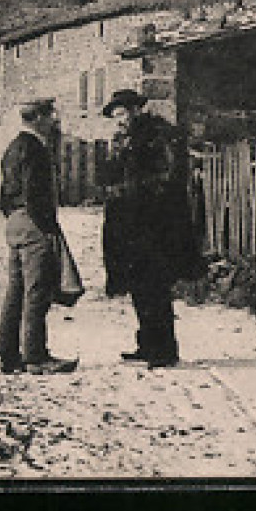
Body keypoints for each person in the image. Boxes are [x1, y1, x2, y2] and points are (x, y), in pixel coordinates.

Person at [100, 88, 203, 368]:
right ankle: (146, 344)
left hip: (155, 226)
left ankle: (164, 349)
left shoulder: (158, 135)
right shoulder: (123, 140)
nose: (118, 120)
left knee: (155, 286)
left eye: (121, 114)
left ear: (135, 110)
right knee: (137, 285)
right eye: (115, 116)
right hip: (129, 225)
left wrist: (128, 190)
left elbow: (167, 178)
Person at [0, 98, 78, 375]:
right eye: (51, 115)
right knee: (36, 291)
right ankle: (35, 356)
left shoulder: (12, 147)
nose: (55, 120)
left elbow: (5, 195)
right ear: (38, 118)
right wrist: (47, 225)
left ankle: (7, 353)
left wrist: (15, 218)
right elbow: (34, 193)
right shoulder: (35, 149)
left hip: (15, 223)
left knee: (15, 290)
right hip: (34, 224)